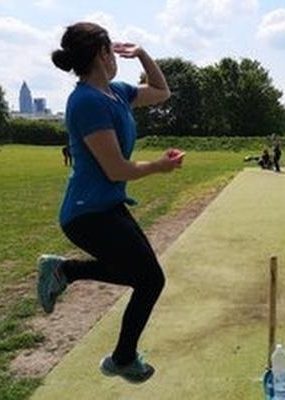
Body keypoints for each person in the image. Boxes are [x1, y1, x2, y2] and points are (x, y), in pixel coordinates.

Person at [37, 22, 183, 383]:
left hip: (106, 208)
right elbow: (117, 169)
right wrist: (160, 167)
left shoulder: (116, 92)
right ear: (103, 53)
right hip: (87, 213)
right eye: (112, 49)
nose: (117, 55)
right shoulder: (85, 102)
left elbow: (162, 91)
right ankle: (121, 358)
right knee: (149, 280)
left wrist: (143, 54)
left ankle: (66, 272)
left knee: (145, 278)